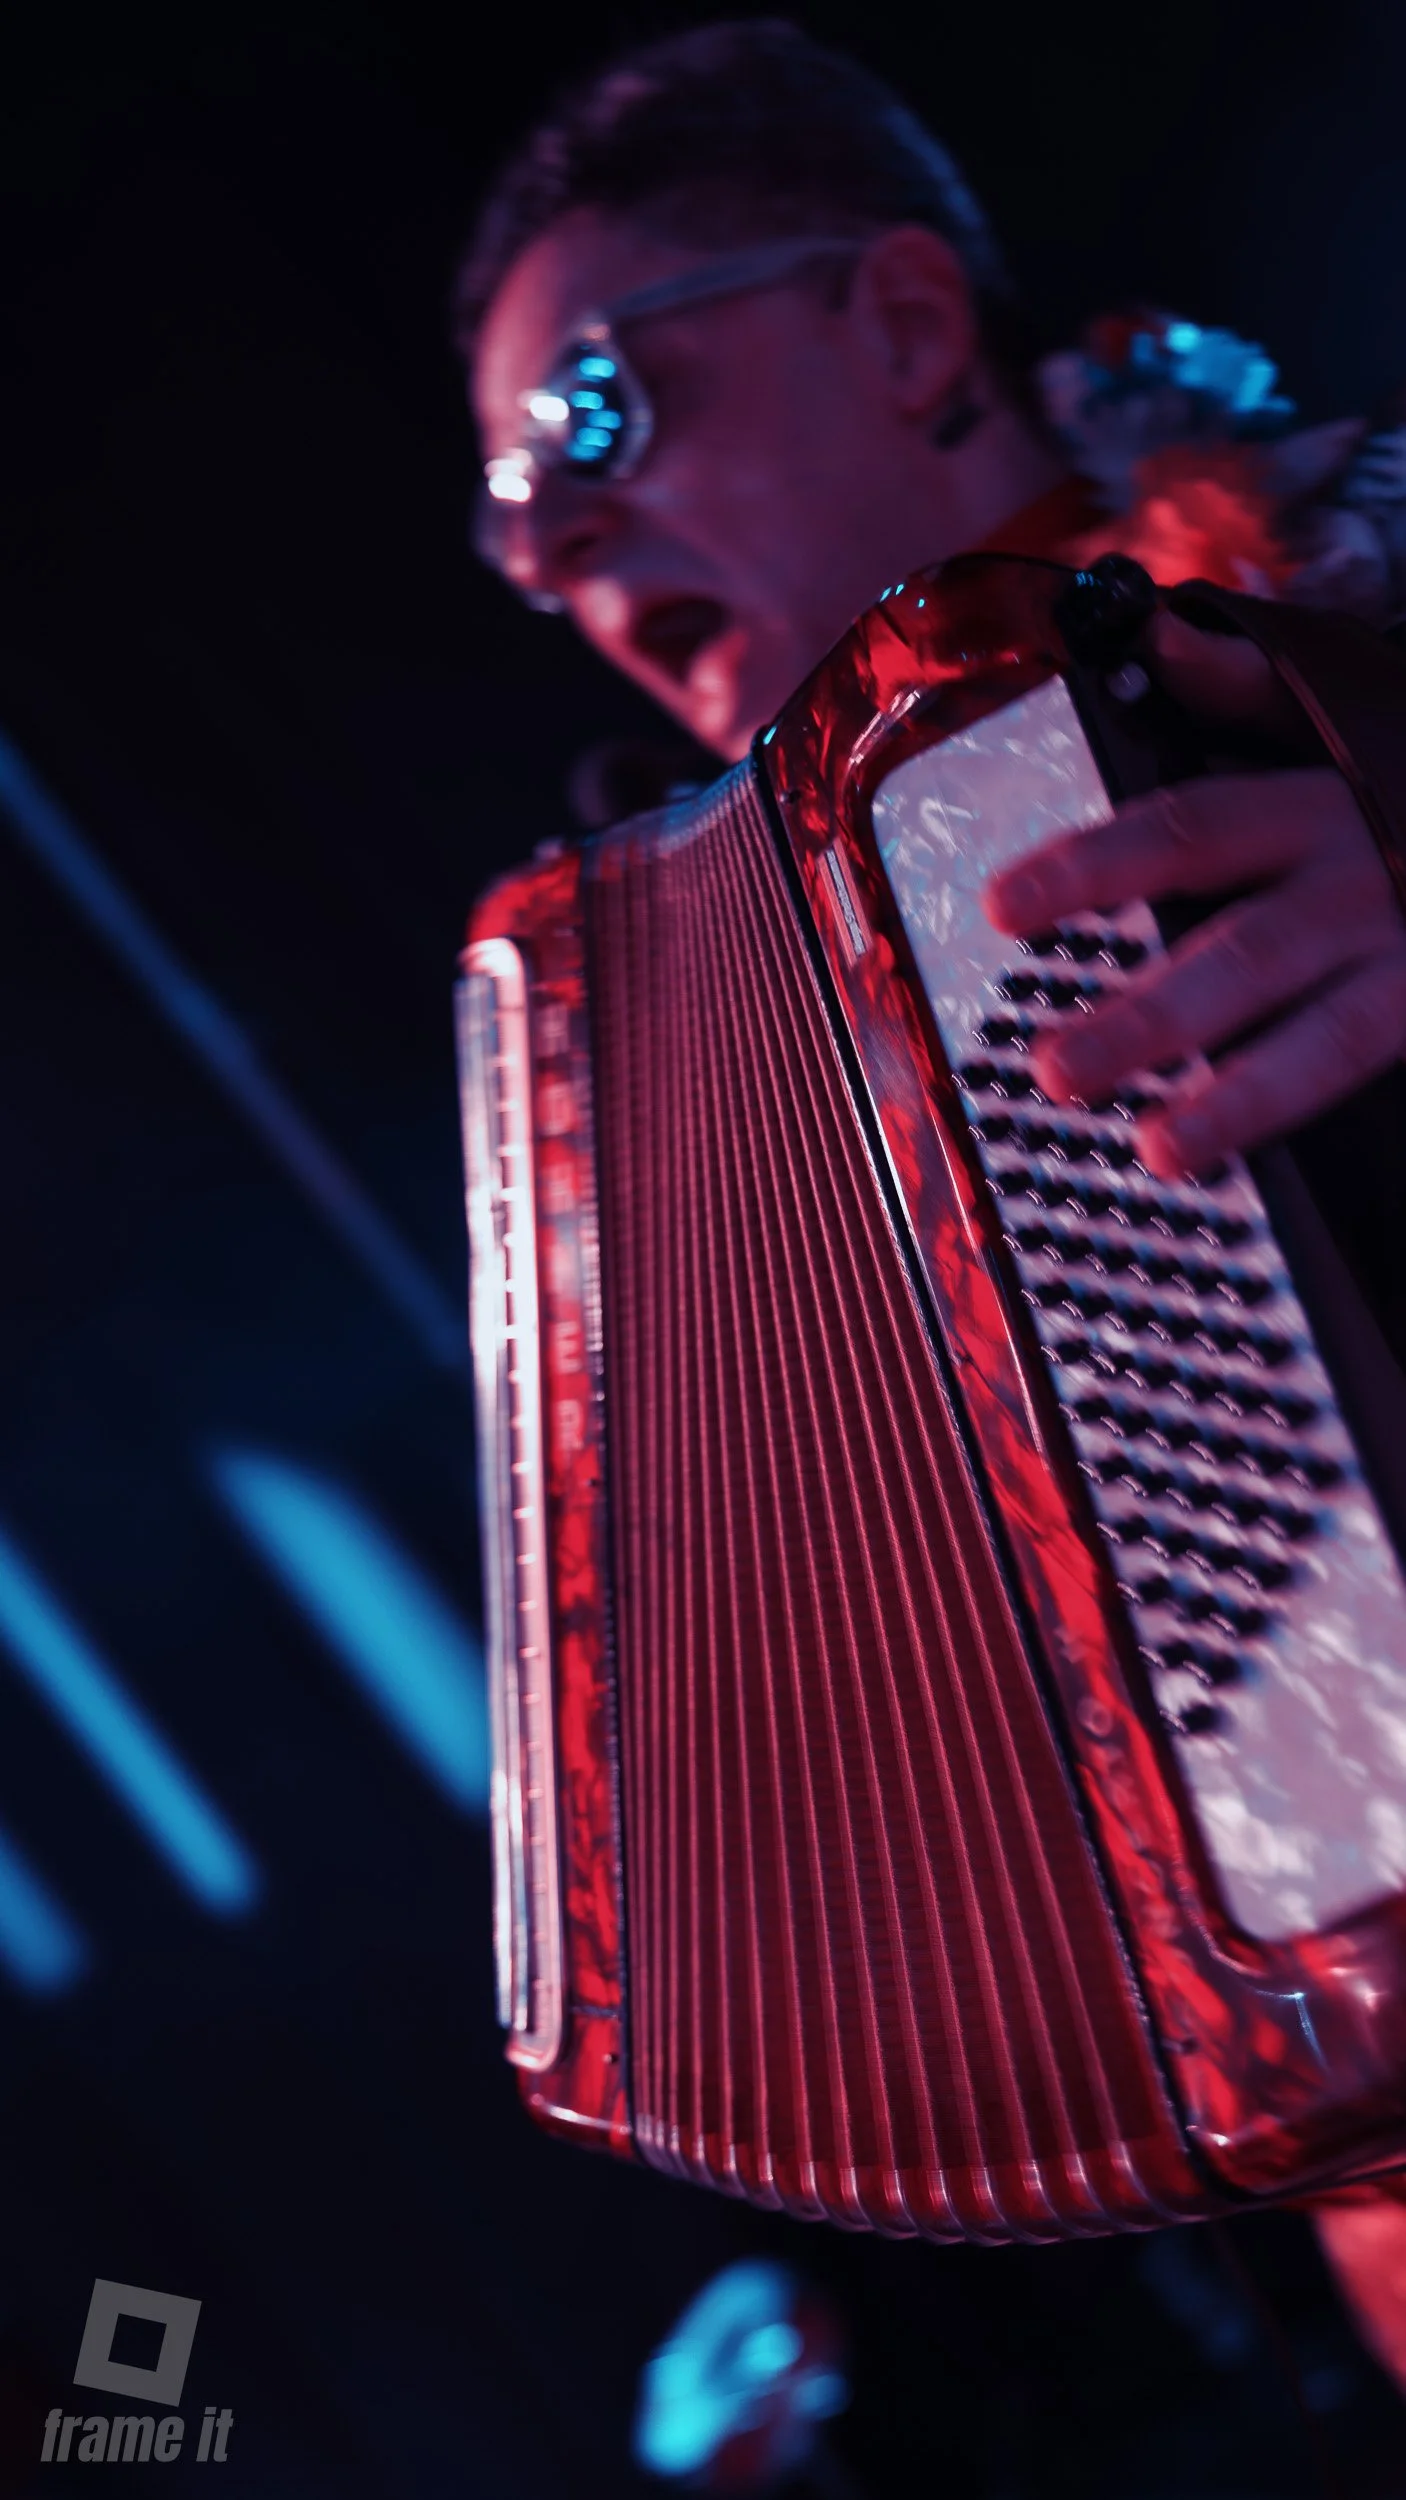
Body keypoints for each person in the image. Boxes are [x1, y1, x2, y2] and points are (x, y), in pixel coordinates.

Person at [455, 15, 1406, 2393]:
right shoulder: (698, 1043)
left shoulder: (1358, 541)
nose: (555, 548)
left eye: (587, 421)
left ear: (894, 328)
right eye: (502, 517)